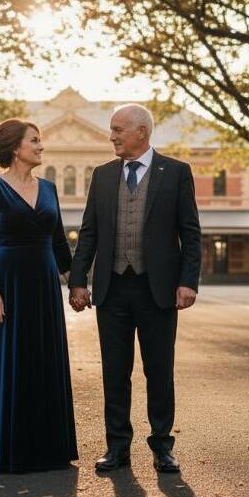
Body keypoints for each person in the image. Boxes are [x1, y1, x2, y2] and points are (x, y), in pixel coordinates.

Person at [68, 104, 201, 473]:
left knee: (159, 371)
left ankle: (163, 446)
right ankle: (117, 447)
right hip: (112, 289)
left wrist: (188, 281)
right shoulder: (103, 175)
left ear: (141, 132)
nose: (111, 136)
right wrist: (78, 280)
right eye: (112, 130)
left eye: (117, 129)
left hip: (157, 290)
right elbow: (89, 231)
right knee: (115, 372)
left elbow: (190, 233)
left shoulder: (175, 173)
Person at [0, 118, 78, 473]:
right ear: (16, 147)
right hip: (7, 282)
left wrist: (76, 282)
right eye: (35, 141)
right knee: (7, 360)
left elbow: (59, 241)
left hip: (44, 285)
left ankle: (47, 449)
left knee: (43, 357)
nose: (41, 147)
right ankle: (2, 449)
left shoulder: (50, 189)